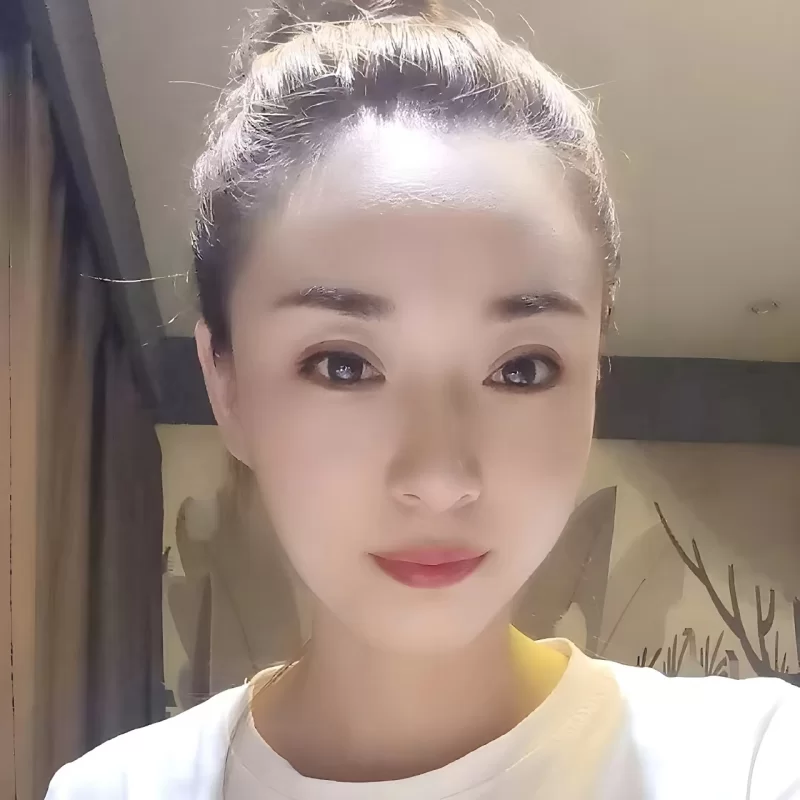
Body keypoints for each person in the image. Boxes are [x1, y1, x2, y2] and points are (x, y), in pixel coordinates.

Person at [47, 0, 799, 797]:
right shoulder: (117, 789)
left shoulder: (753, 761)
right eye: (343, 366)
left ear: (593, 379)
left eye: (522, 369)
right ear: (225, 384)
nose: (439, 479)